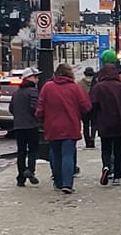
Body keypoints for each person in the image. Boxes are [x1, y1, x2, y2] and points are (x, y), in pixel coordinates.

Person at [37, 63, 89, 194]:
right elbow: (86, 106)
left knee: (55, 154)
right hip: (70, 126)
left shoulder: (48, 87)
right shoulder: (75, 88)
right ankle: (67, 184)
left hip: (52, 126)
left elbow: (40, 108)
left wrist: (42, 119)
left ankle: (58, 182)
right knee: (68, 155)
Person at [90, 51, 121, 184]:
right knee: (119, 149)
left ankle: (106, 166)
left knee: (106, 147)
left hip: (104, 122)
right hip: (119, 121)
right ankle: (117, 174)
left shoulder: (98, 87)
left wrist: (94, 118)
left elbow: (92, 103)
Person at [9, 70, 41, 185]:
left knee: (21, 152)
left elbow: (11, 109)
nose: (37, 79)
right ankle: (30, 170)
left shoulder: (17, 93)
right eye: (35, 77)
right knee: (33, 150)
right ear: (29, 78)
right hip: (31, 125)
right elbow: (35, 108)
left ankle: (20, 178)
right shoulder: (33, 91)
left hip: (19, 126)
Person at [80, 65, 98, 148]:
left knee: (85, 124)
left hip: (84, 106)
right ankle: (92, 139)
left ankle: (87, 141)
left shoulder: (80, 83)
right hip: (94, 105)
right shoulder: (96, 83)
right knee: (94, 123)